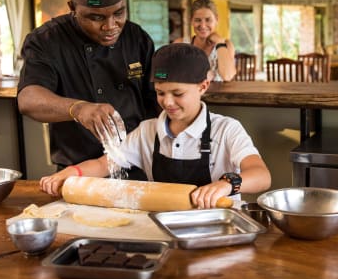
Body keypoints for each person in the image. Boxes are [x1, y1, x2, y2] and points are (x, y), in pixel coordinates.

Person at [40, 43, 271, 208]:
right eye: (160, 93)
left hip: (220, 227)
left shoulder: (227, 130)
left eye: (177, 93)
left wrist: (226, 184)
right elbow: (104, 164)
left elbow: (261, 175)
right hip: (163, 226)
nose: (167, 102)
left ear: (203, 86)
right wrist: (71, 173)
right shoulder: (147, 131)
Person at [18, 0, 159, 172]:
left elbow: (156, 100)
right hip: (77, 169)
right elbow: (28, 99)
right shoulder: (47, 40)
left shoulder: (137, 38)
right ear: (72, 8)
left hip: (137, 162)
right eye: (96, 17)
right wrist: (77, 108)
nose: (110, 26)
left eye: (119, 13)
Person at [174, 0, 236, 81]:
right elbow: (164, 75)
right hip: (189, 94)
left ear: (217, 19)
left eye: (208, 20)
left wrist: (220, 43)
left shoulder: (227, 45)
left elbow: (227, 76)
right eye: (198, 20)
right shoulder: (180, 44)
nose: (203, 26)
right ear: (191, 20)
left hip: (219, 95)